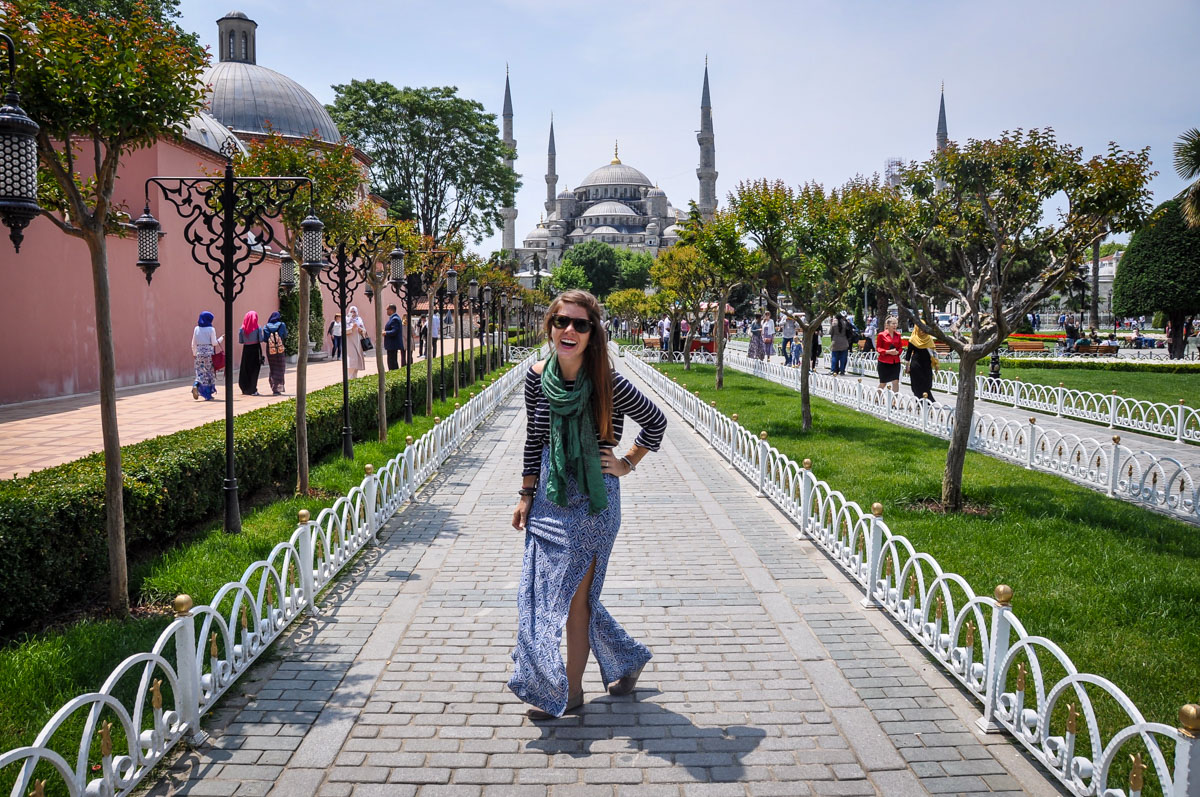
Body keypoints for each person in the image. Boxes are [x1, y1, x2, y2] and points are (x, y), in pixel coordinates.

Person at [509, 289, 667, 719]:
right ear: (551, 326)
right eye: (562, 322)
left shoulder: (607, 382)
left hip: (593, 501)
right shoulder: (536, 376)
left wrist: (626, 462)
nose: (570, 330)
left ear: (593, 333)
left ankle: (570, 691)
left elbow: (656, 420)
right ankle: (626, 658)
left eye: (581, 324)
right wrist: (525, 495)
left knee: (574, 599)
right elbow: (535, 439)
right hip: (549, 495)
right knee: (545, 595)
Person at [905, 324, 939, 402]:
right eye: (920, 329)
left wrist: (936, 363)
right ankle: (925, 401)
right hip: (916, 365)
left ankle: (925, 399)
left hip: (927, 365)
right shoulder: (913, 339)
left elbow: (933, 352)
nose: (922, 331)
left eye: (923, 329)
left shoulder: (929, 338)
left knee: (928, 383)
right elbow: (908, 354)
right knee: (917, 383)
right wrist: (907, 366)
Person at [191, 311, 219, 401]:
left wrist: (194, 353)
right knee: (209, 374)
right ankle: (208, 394)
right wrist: (222, 338)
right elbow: (214, 343)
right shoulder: (211, 329)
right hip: (209, 354)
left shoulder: (196, 329)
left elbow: (193, 343)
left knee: (200, 372)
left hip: (199, 353)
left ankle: (196, 384)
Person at [238, 310, 264, 396]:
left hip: (246, 350)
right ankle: (253, 389)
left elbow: (241, 341)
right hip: (255, 349)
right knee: (254, 370)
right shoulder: (258, 328)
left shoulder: (242, 329)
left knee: (245, 369)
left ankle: (245, 388)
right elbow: (261, 339)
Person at [263, 311, 288, 395]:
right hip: (280, 349)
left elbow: (265, 339)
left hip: (270, 350)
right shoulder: (282, 325)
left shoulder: (266, 327)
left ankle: (273, 386)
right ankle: (278, 387)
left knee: (273, 367)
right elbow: (285, 335)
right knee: (280, 367)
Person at [876, 316, 903, 392]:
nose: (895, 325)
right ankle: (877, 398)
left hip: (895, 362)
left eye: (896, 324)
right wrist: (888, 352)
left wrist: (898, 352)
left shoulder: (898, 335)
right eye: (893, 323)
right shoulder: (881, 335)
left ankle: (894, 401)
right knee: (883, 383)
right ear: (887, 325)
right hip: (884, 361)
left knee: (895, 382)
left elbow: (900, 347)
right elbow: (878, 348)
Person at [344, 305, 367, 379]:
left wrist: (361, 330)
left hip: (358, 343)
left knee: (357, 360)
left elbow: (364, 330)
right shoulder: (346, 320)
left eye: (354, 311)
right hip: (350, 343)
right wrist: (351, 328)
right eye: (351, 311)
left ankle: (355, 377)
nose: (353, 313)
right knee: (352, 360)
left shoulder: (359, 319)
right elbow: (343, 331)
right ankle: (350, 378)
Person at [384, 303, 405, 370]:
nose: (386, 311)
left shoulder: (395, 319)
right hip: (391, 345)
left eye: (387, 309)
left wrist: (386, 333)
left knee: (392, 362)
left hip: (392, 344)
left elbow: (394, 331)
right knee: (392, 361)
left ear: (391, 310)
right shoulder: (393, 318)